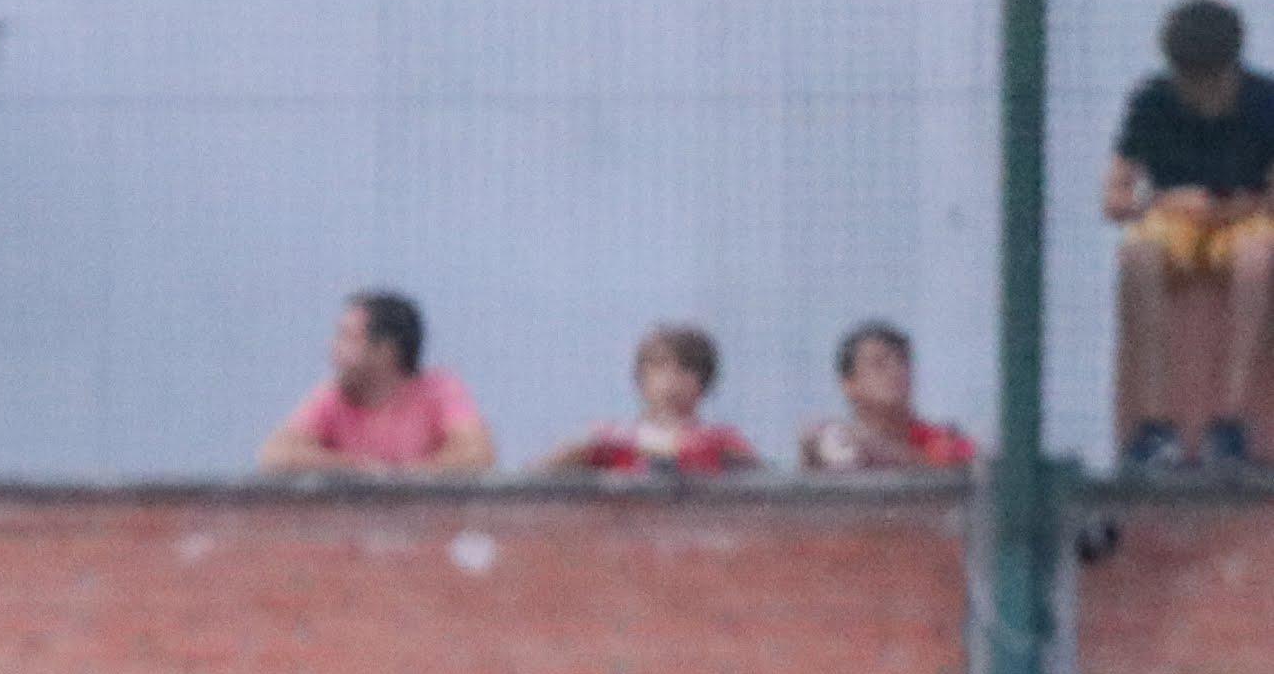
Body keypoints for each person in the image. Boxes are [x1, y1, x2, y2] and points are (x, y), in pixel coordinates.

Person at [1107, 0, 1274, 469]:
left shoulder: (1265, 101)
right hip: (1172, 219)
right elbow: (1115, 198)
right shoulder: (1151, 101)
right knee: (1138, 257)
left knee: (1259, 257)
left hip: (1243, 220)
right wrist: (1163, 200)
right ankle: (1156, 426)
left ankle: (1232, 420)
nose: (1201, 94)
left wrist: (1245, 204)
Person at [257, 288, 494, 478]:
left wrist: (404, 480)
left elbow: (477, 453)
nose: (333, 349)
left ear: (386, 351)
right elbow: (276, 455)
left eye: (348, 338)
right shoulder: (334, 396)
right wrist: (359, 471)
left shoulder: (439, 390)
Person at [543, 324, 759, 478]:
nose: (671, 381)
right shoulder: (609, 441)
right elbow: (534, 479)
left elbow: (768, 490)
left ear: (703, 381)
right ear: (641, 379)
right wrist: (583, 449)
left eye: (685, 369)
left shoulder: (723, 442)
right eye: (660, 367)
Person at [799, 320, 973, 474]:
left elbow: (961, 473)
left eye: (902, 362)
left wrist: (879, 451)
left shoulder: (942, 441)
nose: (896, 371)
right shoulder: (837, 444)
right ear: (849, 383)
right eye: (879, 364)